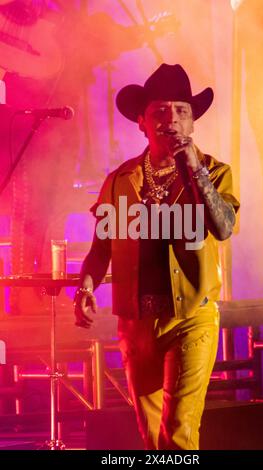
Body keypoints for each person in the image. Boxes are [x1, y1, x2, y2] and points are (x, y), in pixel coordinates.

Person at [74, 64, 240, 450]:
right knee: (152, 439)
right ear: (141, 122)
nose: (173, 120)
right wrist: (85, 286)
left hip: (191, 318)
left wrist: (194, 170)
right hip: (135, 324)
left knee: (179, 433)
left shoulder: (215, 172)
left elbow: (223, 227)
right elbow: (102, 246)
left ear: (193, 122)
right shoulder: (120, 180)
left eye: (182, 111)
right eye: (161, 112)